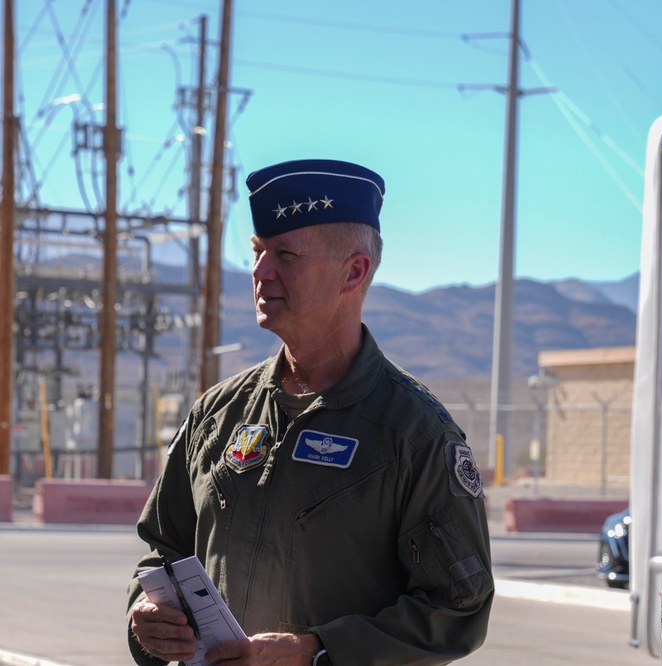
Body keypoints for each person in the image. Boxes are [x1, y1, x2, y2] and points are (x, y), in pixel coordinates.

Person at [127, 159, 494, 666]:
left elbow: (458, 608)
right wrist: (146, 612)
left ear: (353, 271)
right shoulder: (218, 414)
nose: (260, 272)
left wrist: (317, 652)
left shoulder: (413, 433)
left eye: (286, 255)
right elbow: (163, 551)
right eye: (257, 253)